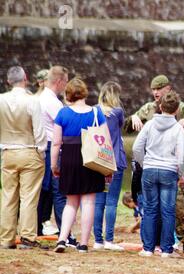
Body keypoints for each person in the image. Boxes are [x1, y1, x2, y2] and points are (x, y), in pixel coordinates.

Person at [126, 74, 184, 254]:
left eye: (158, 89)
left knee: (178, 204)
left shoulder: (181, 108)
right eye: (153, 89)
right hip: (159, 164)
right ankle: (160, 244)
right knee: (154, 207)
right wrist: (132, 119)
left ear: (167, 88)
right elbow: (128, 128)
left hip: (168, 162)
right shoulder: (147, 110)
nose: (155, 93)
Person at [53, 78, 107, 253]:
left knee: (71, 202)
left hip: (69, 157)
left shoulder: (63, 114)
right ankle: (83, 243)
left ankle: (62, 239)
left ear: (69, 94)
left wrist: (54, 165)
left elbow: (56, 143)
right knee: (89, 202)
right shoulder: (96, 113)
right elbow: (106, 141)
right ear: (84, 92)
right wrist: (108, 168)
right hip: (90, 157)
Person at [132, 90, 184, 258]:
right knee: (168, 210)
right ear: (177, 110)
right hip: (169, 171)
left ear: (160, 106)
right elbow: (183, 155)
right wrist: (181, 172)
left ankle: (148, 248)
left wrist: (144, 163)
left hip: (149, 170)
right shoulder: (178, 128)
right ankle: (166, 249)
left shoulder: (149, 125)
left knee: (149, 209)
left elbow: (136, 148)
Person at [0, 66, 48, 250]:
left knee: (8, 196)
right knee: (28, 197)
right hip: (29, 149)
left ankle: (6, 238)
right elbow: (39, 131)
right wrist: (41, 151)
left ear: (8, 81)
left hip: (7, 151)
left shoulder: (1, 100)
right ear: (25, 79)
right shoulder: (32, 100)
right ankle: (27, 237)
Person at [37, 66, 76, 243]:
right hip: (53, 146)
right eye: (66, 82)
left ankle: (38, 227)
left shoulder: (39, 98)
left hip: (42, 145)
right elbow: (67, 124)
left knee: (45, 191)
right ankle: (65, 233)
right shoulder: (53, 102)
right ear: (59, 81)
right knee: (59, 191)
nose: (66, 86)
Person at [93, 81, 127, 251]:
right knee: (111, 202)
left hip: (98, 160)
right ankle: (109, 240)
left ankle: (97, 240)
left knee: (98, 202)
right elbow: (120, 128)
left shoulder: (94, 111)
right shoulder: (118, 112)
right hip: (114, 160)